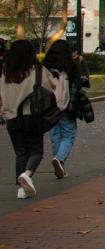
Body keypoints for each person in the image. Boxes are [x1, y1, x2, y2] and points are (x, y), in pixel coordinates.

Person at [2, 40, 69, 199]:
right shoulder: (37, 70)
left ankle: (21, 189)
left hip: (11, 117)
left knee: (20, 152)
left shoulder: (5, 73)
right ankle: (27, 173)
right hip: (31, 116)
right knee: (35, 150)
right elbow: (52, 87)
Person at [43, 42, 89, 179]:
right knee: (68, 134)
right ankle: (59, 159)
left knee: (55, 135)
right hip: (66, 105)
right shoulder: (71, 66)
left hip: (48, 106)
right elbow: (78, 85)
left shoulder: (45, 67)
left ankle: (59, 163)